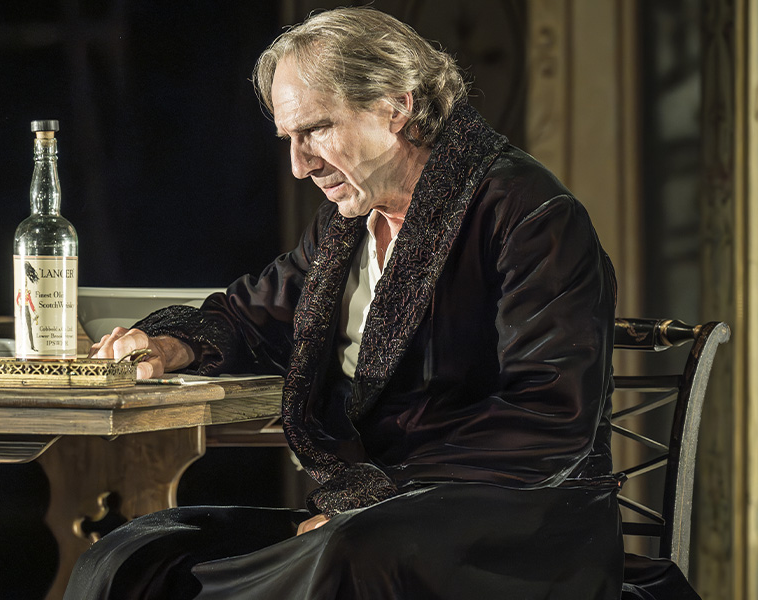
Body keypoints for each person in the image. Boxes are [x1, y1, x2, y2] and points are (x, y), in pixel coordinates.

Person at [67, 7, 699, 600]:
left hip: (520, 523)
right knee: (133, 553)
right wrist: (170, 343)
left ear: (397, 107)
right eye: (289, 137)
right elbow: (254, 313)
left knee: (353, 556)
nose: (298, 164)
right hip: (374, 517)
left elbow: (548, 414)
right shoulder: (346, 225)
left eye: (315, 130)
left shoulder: (531, 216)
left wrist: (371, 499)